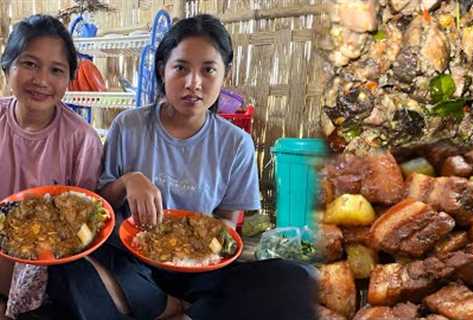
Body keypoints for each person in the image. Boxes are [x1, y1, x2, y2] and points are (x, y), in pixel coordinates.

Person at [46, 14, 319, 320]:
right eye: (181, 68)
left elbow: (228, 223)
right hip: (131, 263)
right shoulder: (129, 125)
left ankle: (167, 308)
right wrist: (128, 182)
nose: (194, 83)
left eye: (208, 70)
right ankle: (174, 309)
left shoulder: (236, 143)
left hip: (199, 271)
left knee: (301, 280)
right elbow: (103, 208)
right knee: (67, 268)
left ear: (224, 75)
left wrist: (197, 254)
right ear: (162, 70)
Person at [0, 15, 103, 319]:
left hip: (47, 270)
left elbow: (82, 226)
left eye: (56, 70)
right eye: (29, 64)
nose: (41, 80)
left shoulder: (82, 140)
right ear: (8, 67)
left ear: (70, 78)